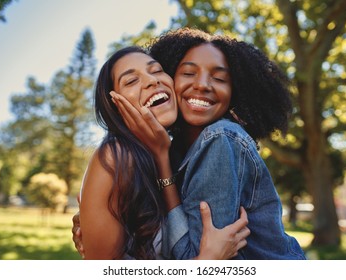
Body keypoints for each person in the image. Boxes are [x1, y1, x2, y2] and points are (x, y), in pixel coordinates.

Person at [111, 28, 306, 259]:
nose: (203, 84)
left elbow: (195, 260)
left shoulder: (220, 139)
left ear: (234, 92)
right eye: (188, 73)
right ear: (169, 80)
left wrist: (161, 160)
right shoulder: (172, 149)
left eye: (220, 78)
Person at [77, 45, 250, 260]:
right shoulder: (115, 157)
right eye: (131, 81)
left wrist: (161, 157)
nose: (152, 80)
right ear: (115, 108)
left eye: (157, 70)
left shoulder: (180, 154)